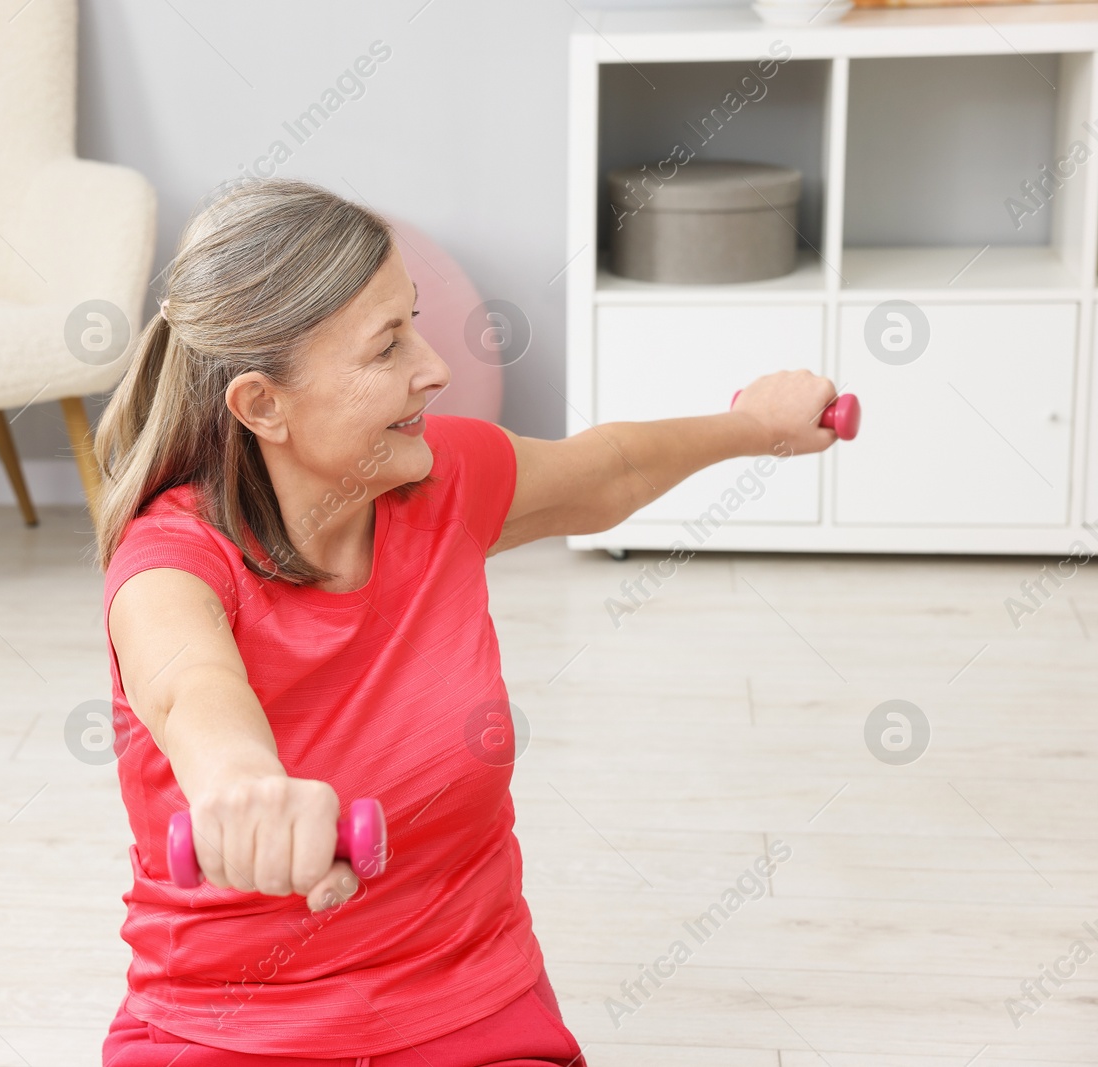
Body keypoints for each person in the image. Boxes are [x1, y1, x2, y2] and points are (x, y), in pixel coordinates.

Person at [92, 178, 837, 1066]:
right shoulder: (168, 566)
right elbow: (190, 689)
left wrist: (754, 427)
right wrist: (243, 785)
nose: (434, 367)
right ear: (262, 405)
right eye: (387, 347)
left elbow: (611, 470)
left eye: (413, 320)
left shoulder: (438, 485)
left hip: (464, 1002)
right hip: (225, 1024)